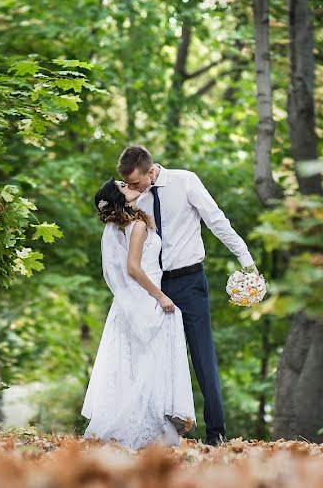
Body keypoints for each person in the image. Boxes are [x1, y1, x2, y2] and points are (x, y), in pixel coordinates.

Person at [118, 145, 257, 446]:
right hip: (154, 288)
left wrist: (246, 259)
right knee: (157, 360)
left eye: (136, 183)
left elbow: (216, 221)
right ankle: (158, 433)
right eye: (127, 184)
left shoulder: (185, 182)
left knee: (203, 358)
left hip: (190, 282)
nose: (131, 188)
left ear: (151, 171)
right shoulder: (133, 196)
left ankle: (215, 434)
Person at [80, 178, 196, 449]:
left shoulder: (122, 226)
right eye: (122, 185)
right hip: (146, 298)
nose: (128, 184)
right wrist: (161, 296)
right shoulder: (139, 225)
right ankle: (152, 429)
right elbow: (133, 268)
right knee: (151, 364)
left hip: (128, 303)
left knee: (132, 366)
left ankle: (146, 426)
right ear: (120, 197)